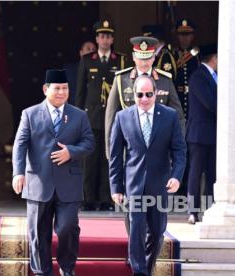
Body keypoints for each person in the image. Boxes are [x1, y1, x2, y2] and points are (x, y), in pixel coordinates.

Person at [12, 69, 94, 276]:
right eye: (57, 88)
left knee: (68, 228)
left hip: (69, 183)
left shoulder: (79, 115)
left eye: (65, 88)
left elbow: (89, 143)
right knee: (38, 233)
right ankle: (42, 271)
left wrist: (71, 152)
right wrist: (18, 173)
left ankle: (67, 269)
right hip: (38, 183)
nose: (61, 92)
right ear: (45, 89)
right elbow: (20, 145)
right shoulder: (29, 114)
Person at [109, 75, 186, 276]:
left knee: (157, 230)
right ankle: (139, 272)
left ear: (156, 94)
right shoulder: (122, 117)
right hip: (133, 185)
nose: (144, 99)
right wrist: (116, 187)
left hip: (160, 184)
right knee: (136, 229)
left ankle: (147, 266)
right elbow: (116, 157)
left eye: (149, 94)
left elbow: (179, 150)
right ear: (133, 94)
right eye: (140, 94)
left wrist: (176, 176)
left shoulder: (169, 116)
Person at [105, 36, 185, 159]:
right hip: (130, 151)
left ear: (154, 57)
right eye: (140, 58)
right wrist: (111, 152)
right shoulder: (121, 79)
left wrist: (177, 149)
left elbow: (178, 117)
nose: (144, 62)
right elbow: (111, 118)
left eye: (147, 57)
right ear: (133, 57)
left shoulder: (165, 80)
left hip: (160, 151)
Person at [76, 20, 125, 212]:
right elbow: (80, 91)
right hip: (91, 117)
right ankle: (89, 198)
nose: (104, 39)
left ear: (112, 39)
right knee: (90, 160)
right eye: (101, 36)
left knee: (109, 159)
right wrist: (77, 117)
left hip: (112, 117)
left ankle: (106, 198)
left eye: (108, 36)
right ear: (97, 39)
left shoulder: (119, 60)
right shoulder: (87, 60)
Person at [185, 44, 218, 224]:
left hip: (213, 132)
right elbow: (210, 103)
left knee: (212, 173)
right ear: (214, 58)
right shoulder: (198, 76)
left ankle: (209, 207)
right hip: (199, 133)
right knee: (196, 173)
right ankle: (193, 211)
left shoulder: (215, 76)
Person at [173, 18, 200, 120]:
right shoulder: (172, 55)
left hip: (193, 97)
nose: (184, 38)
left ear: (192, 36)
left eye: (187, 35)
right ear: (177, 36)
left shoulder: (197, 55)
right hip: (177, 96)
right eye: (181, 35)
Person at [64, 41, 96, 105]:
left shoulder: (101, 70)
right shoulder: (69, 70)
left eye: (94, 50)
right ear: (81, 53)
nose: (92, 52)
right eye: (88, 49)